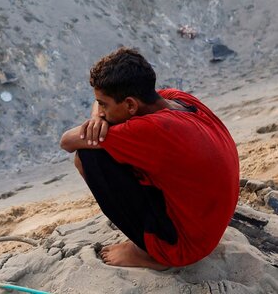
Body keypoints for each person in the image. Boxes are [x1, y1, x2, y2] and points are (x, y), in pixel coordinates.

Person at [60, 47, 238, 270]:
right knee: (104, 145)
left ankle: (150, 254)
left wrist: (97, 123)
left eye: (104, 105)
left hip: (184, 247)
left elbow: (67, 141)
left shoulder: (150, 129)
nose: (101, 111)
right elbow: (100, 106)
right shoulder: (177, 99)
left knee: (88, 155)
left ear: (131, 105)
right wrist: (99, 116)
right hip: (207, 227)